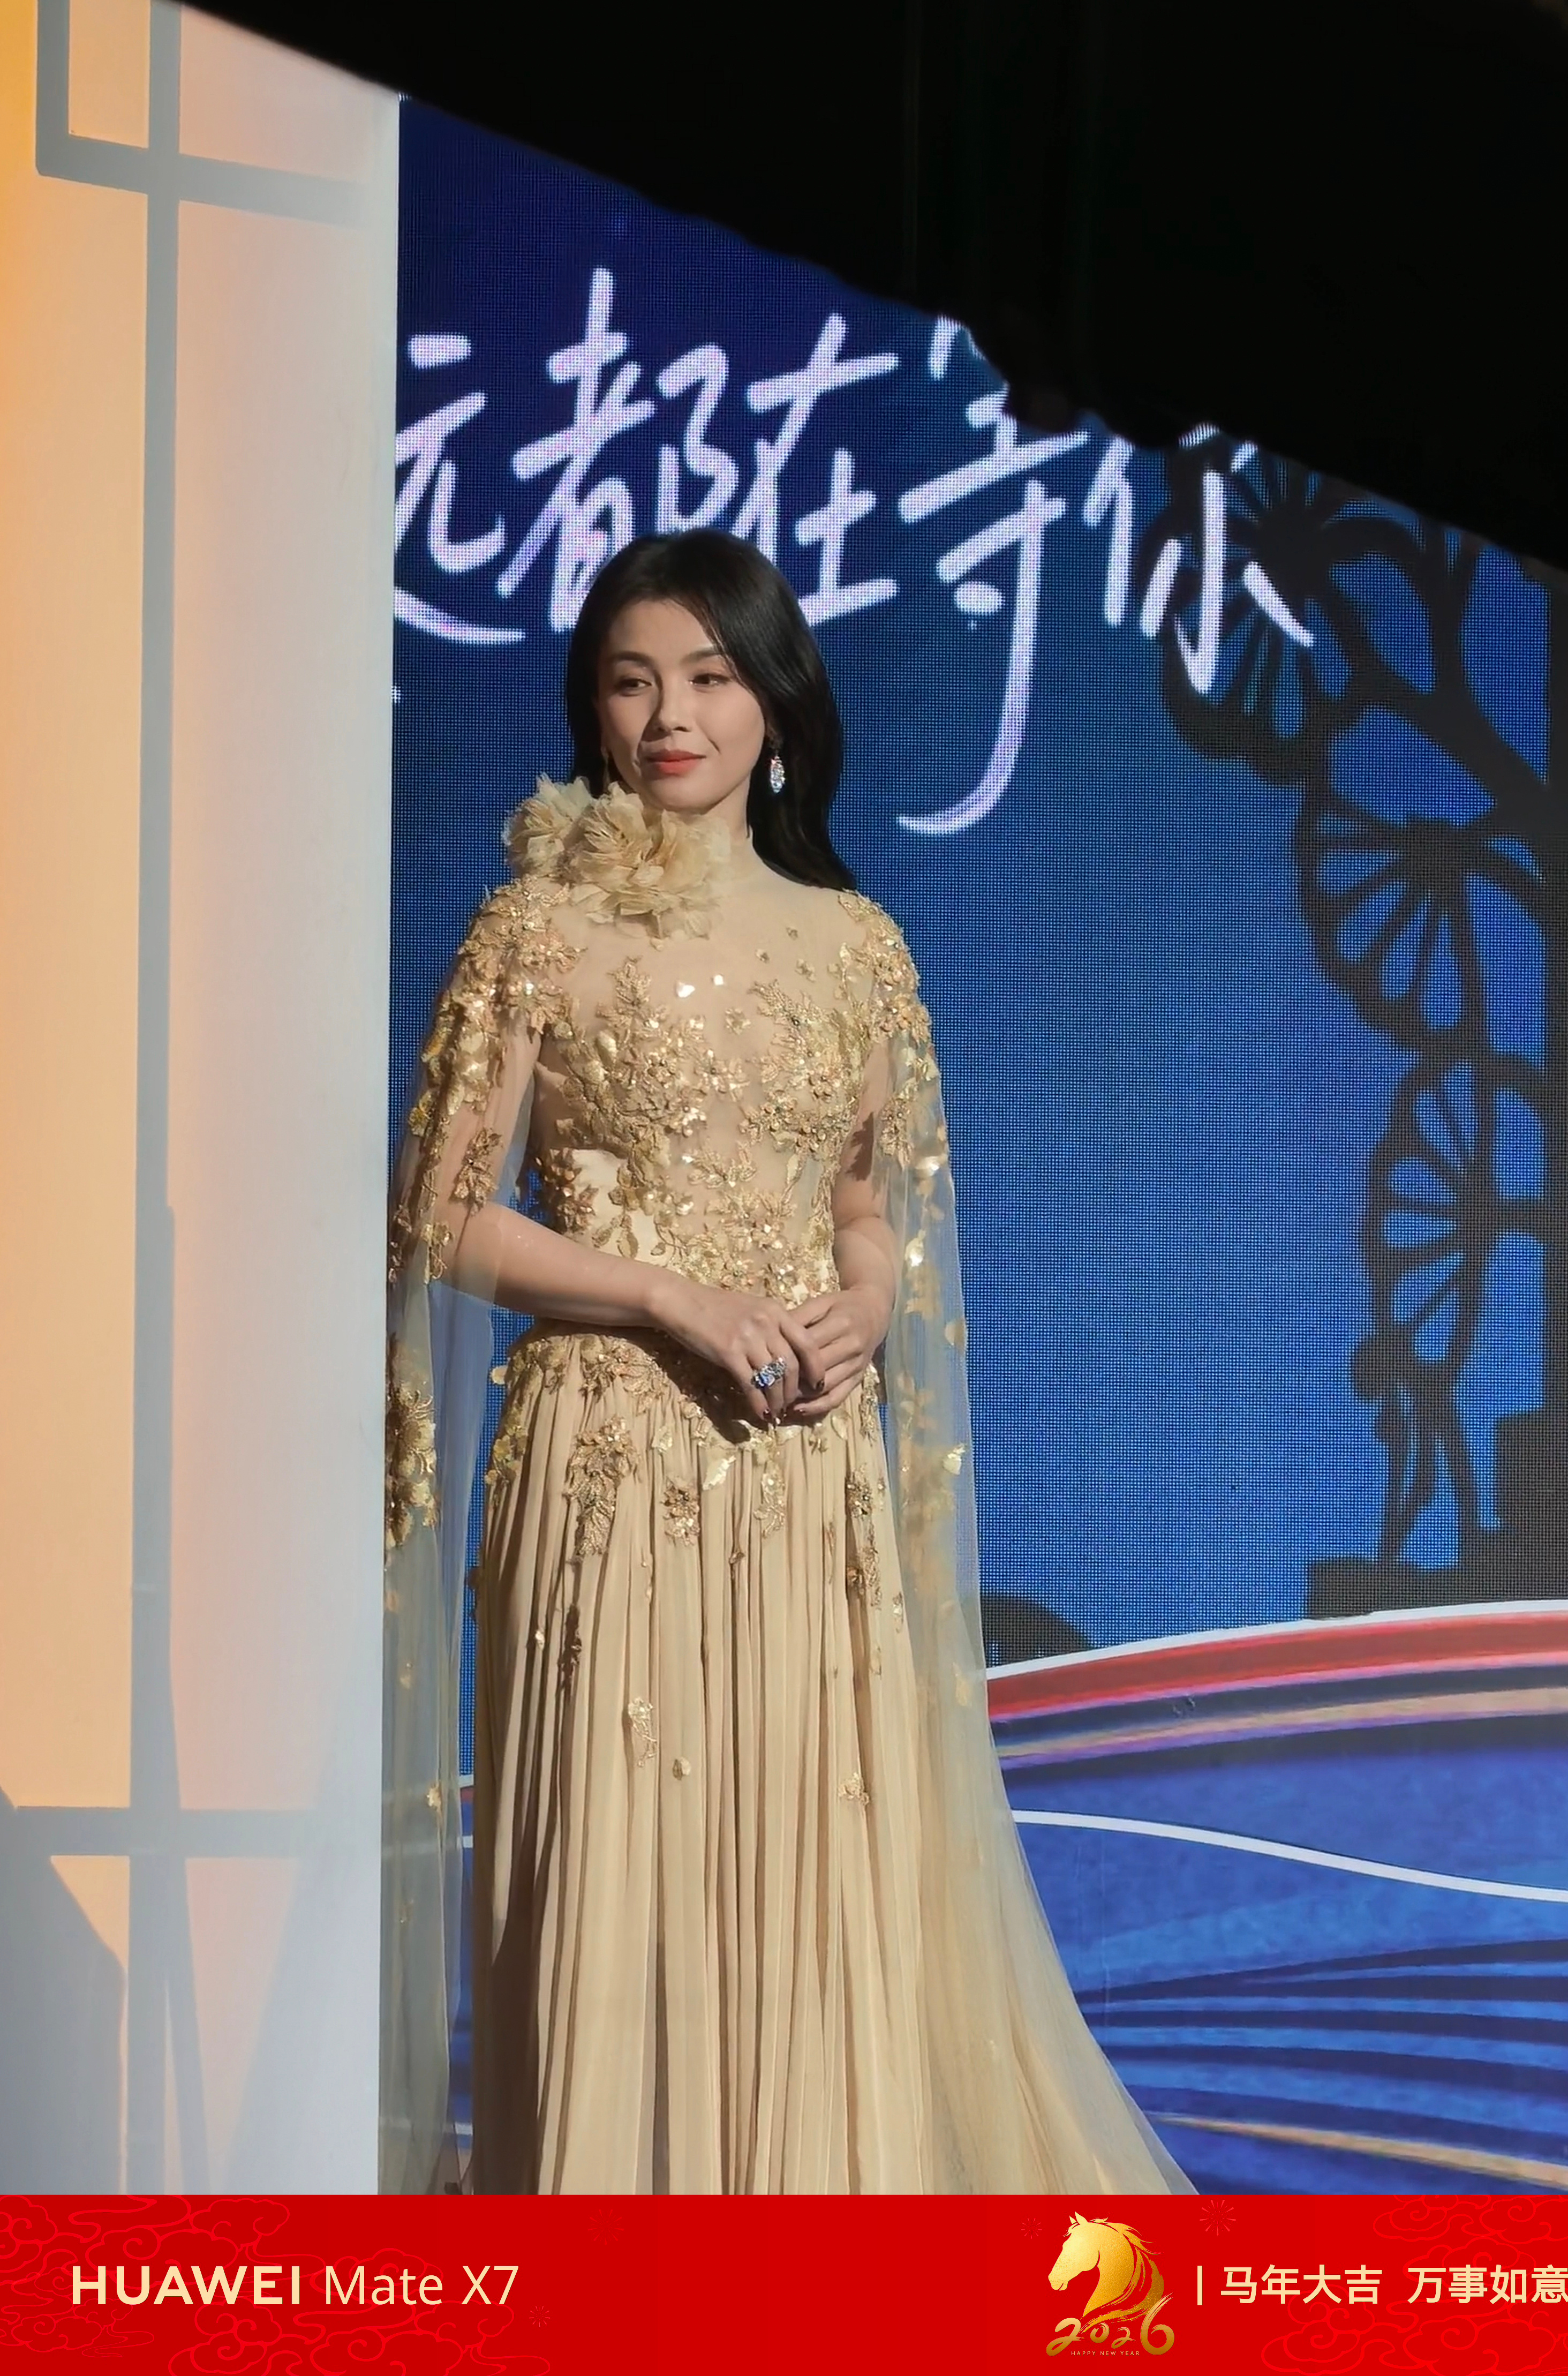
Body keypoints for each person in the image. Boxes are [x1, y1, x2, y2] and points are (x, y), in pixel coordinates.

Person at [381, 528, 1187, 2195]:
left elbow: (867, 1206)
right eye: (631, 681)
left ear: (773, 699)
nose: (670, 714)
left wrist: (865, 1306)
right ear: (595, 713)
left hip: (806, 1477)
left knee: (809, 1886)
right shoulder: (534, 930)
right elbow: (440, 1216)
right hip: (610, 1467)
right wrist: (667, 1298)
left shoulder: (855, 946)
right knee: (617, 1888)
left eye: (707, 674)